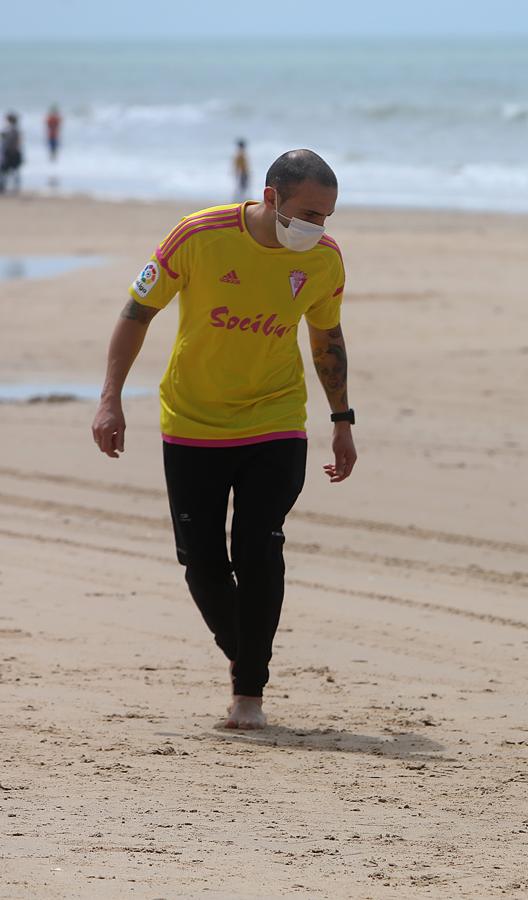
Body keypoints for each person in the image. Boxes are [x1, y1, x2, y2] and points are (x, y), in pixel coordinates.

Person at [91, 149, 357, 730]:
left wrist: (342, 420)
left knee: (259, 548)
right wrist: (111, 396)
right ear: (271, 199)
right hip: (192, 418)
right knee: (202, 560)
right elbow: (138, 310)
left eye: (328, 216)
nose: (318, 227)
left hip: (276, 417)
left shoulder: (324, 260)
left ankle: (249, 690)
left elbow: (326, 338)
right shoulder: (199, 235)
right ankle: (246, 651)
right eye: (308, 212)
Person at [0, 112, 22, 194]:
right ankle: (15, 187)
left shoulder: (10, 130)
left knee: (5, 171)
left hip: (10, 153)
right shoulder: (14, 130)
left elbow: (13, 142)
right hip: (13, 152)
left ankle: (4, 187)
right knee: (13, 171)